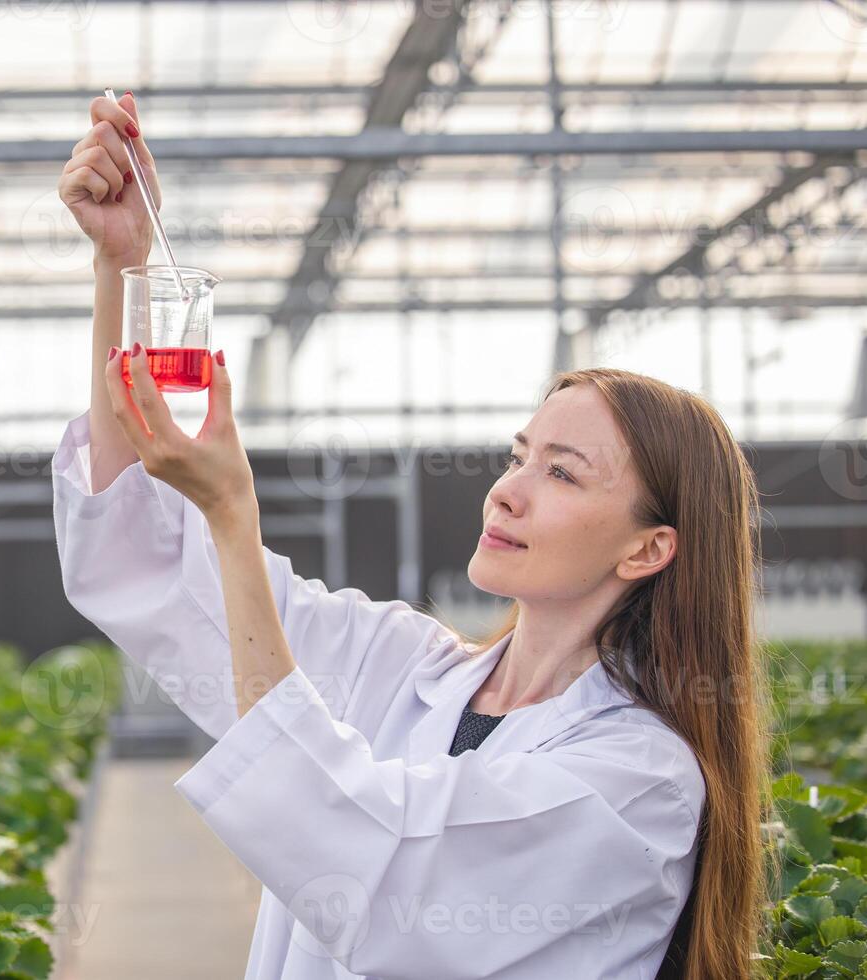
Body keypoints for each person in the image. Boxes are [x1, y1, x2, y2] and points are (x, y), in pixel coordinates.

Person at [51, 93, 773, 979]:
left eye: (561, 473)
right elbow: (147, 563)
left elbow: (370, 875)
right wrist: (122, 269)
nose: (507, 492)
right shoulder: (404, 667)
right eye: (519, 456)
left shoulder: (639, 783)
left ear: (647, 548)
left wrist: (236, 519)